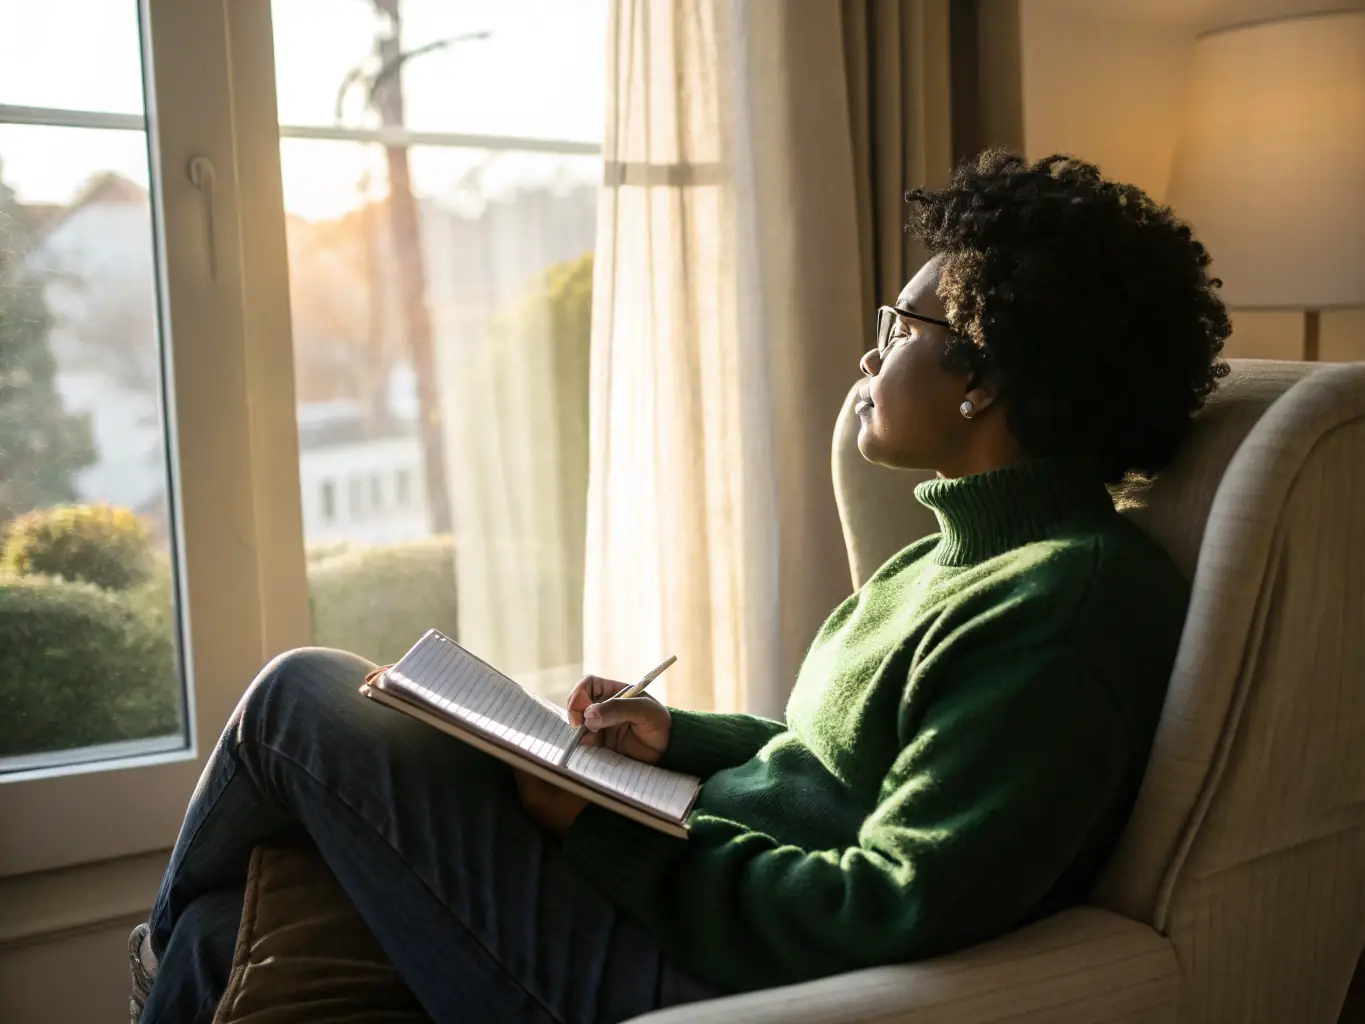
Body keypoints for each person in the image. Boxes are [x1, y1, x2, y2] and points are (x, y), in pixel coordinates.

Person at [130, 149, 1230, 1023]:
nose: (869, 355)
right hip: (665, 903)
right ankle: (168, 956)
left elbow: (890, 901)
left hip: (678, 976)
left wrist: (597, 834)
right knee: (229, 936)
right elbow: (827, 766)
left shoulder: (1068, 607)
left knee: (299, 702)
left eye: (901, 329)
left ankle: (140, 962)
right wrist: (678, 740)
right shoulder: (943, 559)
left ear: (981, 373)